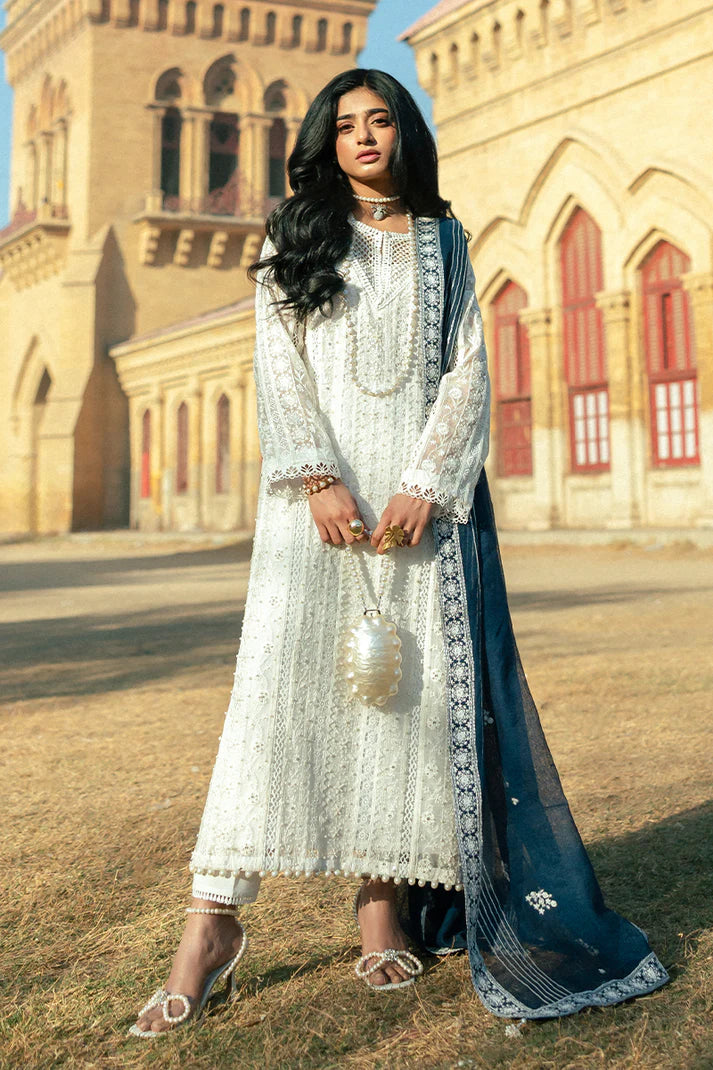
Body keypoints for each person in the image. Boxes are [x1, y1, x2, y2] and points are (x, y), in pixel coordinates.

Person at [130, 69, 667, 1037]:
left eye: (379, 121)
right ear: (325, 143)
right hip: (314, 509)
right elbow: (276, 361)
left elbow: (467, 371)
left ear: (403, 133)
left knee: (396, 704)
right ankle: (208, 924)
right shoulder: (293, 233)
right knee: (273, 704)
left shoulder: (443, 243)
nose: (364, 137)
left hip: (416, 511)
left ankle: (380, 910)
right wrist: (315, 477)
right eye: (346, 125)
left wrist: (425, 483)